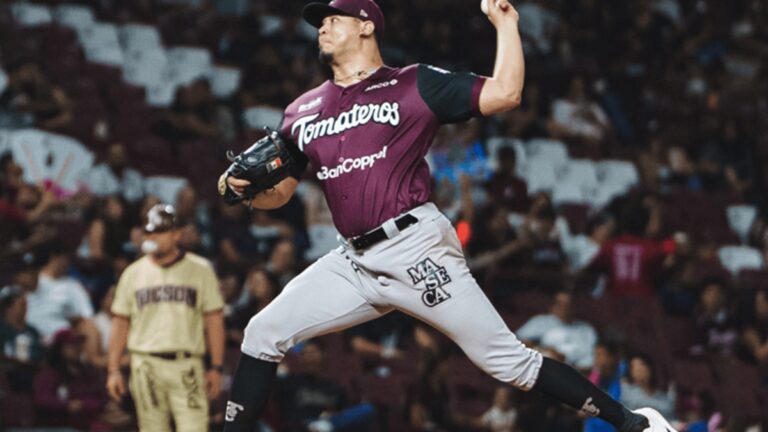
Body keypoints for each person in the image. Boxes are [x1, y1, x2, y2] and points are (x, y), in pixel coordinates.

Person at [220, 1, 676, 431]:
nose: (322, 25)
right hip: (353, 261)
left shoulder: (412, 84)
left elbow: (506, 93)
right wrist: (238, 188)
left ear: (366, 24)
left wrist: (506, 26)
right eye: (319, 21)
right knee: (263, 331)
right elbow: (279, 194)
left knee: (509, 363)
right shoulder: (302, 110)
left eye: (334, 17)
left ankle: (637, 424)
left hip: (415, 246)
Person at [106, 204, 226, 431]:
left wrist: (216, 367)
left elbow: (214, 319)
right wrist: (113, 369)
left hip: (187, 363)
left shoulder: (200, 269)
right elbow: (120, 322)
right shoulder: (133, 273)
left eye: (159, 232)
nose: (153, 237)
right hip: (145, 364)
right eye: (149, 232)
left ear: (177, 234)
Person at [516, 290, 598, 370]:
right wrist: (544, 350)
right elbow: (518, 344)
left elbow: (594, 357)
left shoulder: (586, 329)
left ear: (575, 307)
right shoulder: (540, 322)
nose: (564, 308)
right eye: (560, 304)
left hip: (579, 373)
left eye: (568, 305)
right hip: (545, 369)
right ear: (552, 306)